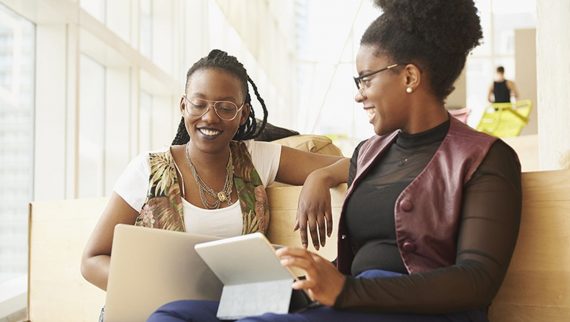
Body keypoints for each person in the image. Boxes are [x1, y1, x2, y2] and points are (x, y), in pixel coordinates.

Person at [147, 1, 522, 322]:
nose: (359, 95)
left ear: (409, 76)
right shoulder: (368, 153)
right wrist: (321, 178)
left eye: (365, 79)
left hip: (415, 311)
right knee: (172, 314)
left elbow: (477, 280)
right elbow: (339, 169)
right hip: (350, 302)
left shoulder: (485, 158)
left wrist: (346, 290)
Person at [80, 49, 349, 292]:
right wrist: (153, 289)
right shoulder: (147, 170)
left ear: (243, 114)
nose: (210, 117)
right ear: (184, 106)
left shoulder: (256, 157)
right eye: (199, 104)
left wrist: (321, 176)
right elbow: (92, 260)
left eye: (226, 108)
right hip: (158, 311)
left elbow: (358, 162)